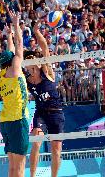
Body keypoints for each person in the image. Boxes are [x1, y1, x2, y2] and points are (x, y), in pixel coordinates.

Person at [24, 20, 65, 177]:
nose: (32, 61)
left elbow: (45, 48)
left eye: (34, 59)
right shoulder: (27, 80)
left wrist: (36, 31)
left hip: (56, 113)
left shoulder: (46, 72)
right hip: (41, 112)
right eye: (29, 60)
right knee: (36, 141)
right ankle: (33, 176)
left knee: (56, 149)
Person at [0, 11, 29, 177]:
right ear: (11, 63)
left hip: (6, 122)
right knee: (20, 166)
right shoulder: (15, 70)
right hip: (18, 119)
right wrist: (16, 25)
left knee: (12, 167)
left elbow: (10, 51)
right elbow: (20, 46)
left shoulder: (2, 75)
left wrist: (9, 36)